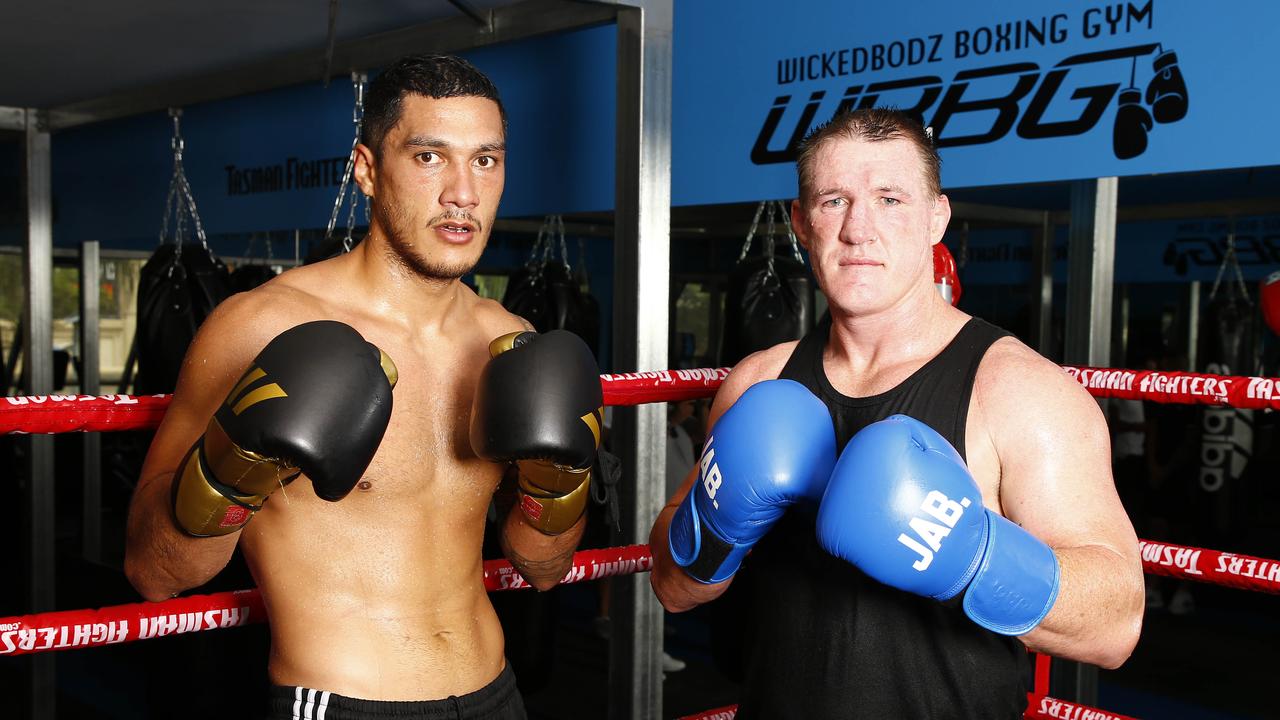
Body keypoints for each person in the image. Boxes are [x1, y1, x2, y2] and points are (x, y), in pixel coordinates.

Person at [124, 55, 603, 720]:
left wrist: (559, 487)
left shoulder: (509, 337)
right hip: (343, 701)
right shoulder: (260, 326)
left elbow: (543, 567)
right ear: (367, 169)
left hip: (498, 694)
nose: (462, 192)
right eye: (430, 157)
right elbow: (155, 571)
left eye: (486, 160)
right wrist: (230, 472)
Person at [648, 108, 1145, 718]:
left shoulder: (1018, 392)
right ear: (803, 224)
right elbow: (672, 589)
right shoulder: (759, 380)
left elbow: (1116, 624)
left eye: (890, 198)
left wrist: (972, 557)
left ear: (937, 217)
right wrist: (715, 525)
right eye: (834, 200)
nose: (859, 229)